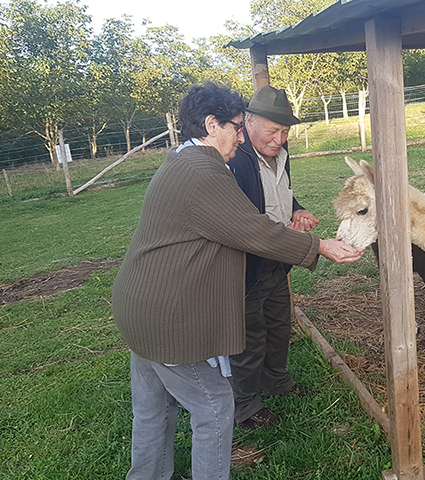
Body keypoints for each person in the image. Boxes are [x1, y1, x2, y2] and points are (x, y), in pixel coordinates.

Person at [111, 83, 363, 480]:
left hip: (139, 307)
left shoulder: (182, 159)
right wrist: (319, 246)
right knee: (213, 405)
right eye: (235, 127)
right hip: (165, 318)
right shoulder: (203, 171)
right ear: (212, 124)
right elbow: (253, 230)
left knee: (153, 406)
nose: (241, 136)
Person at [226, 85, 318, 429]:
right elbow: (242, 221)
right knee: (249, 335)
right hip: (247, 265)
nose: (279, 139)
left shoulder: (281, 153)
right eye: (272, 130)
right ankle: (245, 407)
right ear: (248, 122)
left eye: (285, 131)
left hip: (277, 261)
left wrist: (298, 210)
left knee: (279, 326)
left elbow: (282, 195)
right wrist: (301, 241)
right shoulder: (235, 159)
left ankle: (276, 381)